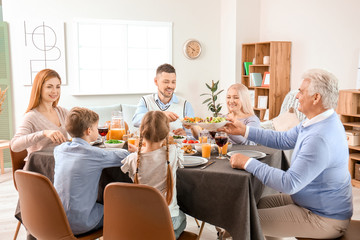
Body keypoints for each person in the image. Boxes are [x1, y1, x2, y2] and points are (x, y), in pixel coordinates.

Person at [221, 69, 353, 239]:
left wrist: (247, 163)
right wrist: (245, 130)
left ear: (316, 98)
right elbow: (283, 139)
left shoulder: (319, 137)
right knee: (255, 204)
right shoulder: (317, 120)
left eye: (301, 91)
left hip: (323, 217)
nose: (296, 96)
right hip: (307, 202)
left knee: (241, 220)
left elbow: (289, 183)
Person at [54, 107, 135, 235]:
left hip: (57, 220)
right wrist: (129, 148)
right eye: (97, 128)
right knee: (124, 210)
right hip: (81, 223)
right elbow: (125, 156)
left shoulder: (59, 150)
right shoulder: (94, 154)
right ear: (89, 130)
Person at [121, 111, 186, 238]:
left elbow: (141, 159)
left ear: (141, 132)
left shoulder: (133, 159)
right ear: (167, 132)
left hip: (141, 220)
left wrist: (139, 150)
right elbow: (177, 146)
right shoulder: (172, 152)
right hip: (167, 220)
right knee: (182, 218)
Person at [10, 69, 68, 160]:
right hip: (39, 167)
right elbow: (14, 145)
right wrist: (44, 133)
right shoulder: (31, 117)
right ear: (39, 88)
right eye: (49, 87)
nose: (55, 91)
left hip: (61, 165)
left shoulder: (62, 112)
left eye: (58, 87)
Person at [132, 63, 195, 136]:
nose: (170, 86)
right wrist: (160, 116)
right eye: (166, 82)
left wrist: (186, 135)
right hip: (153, 146)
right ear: (156, 81)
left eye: (173, 82)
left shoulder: (185, 105)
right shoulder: (146, 101)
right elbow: (136, 121)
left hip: (176, 146)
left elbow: (192, 135)